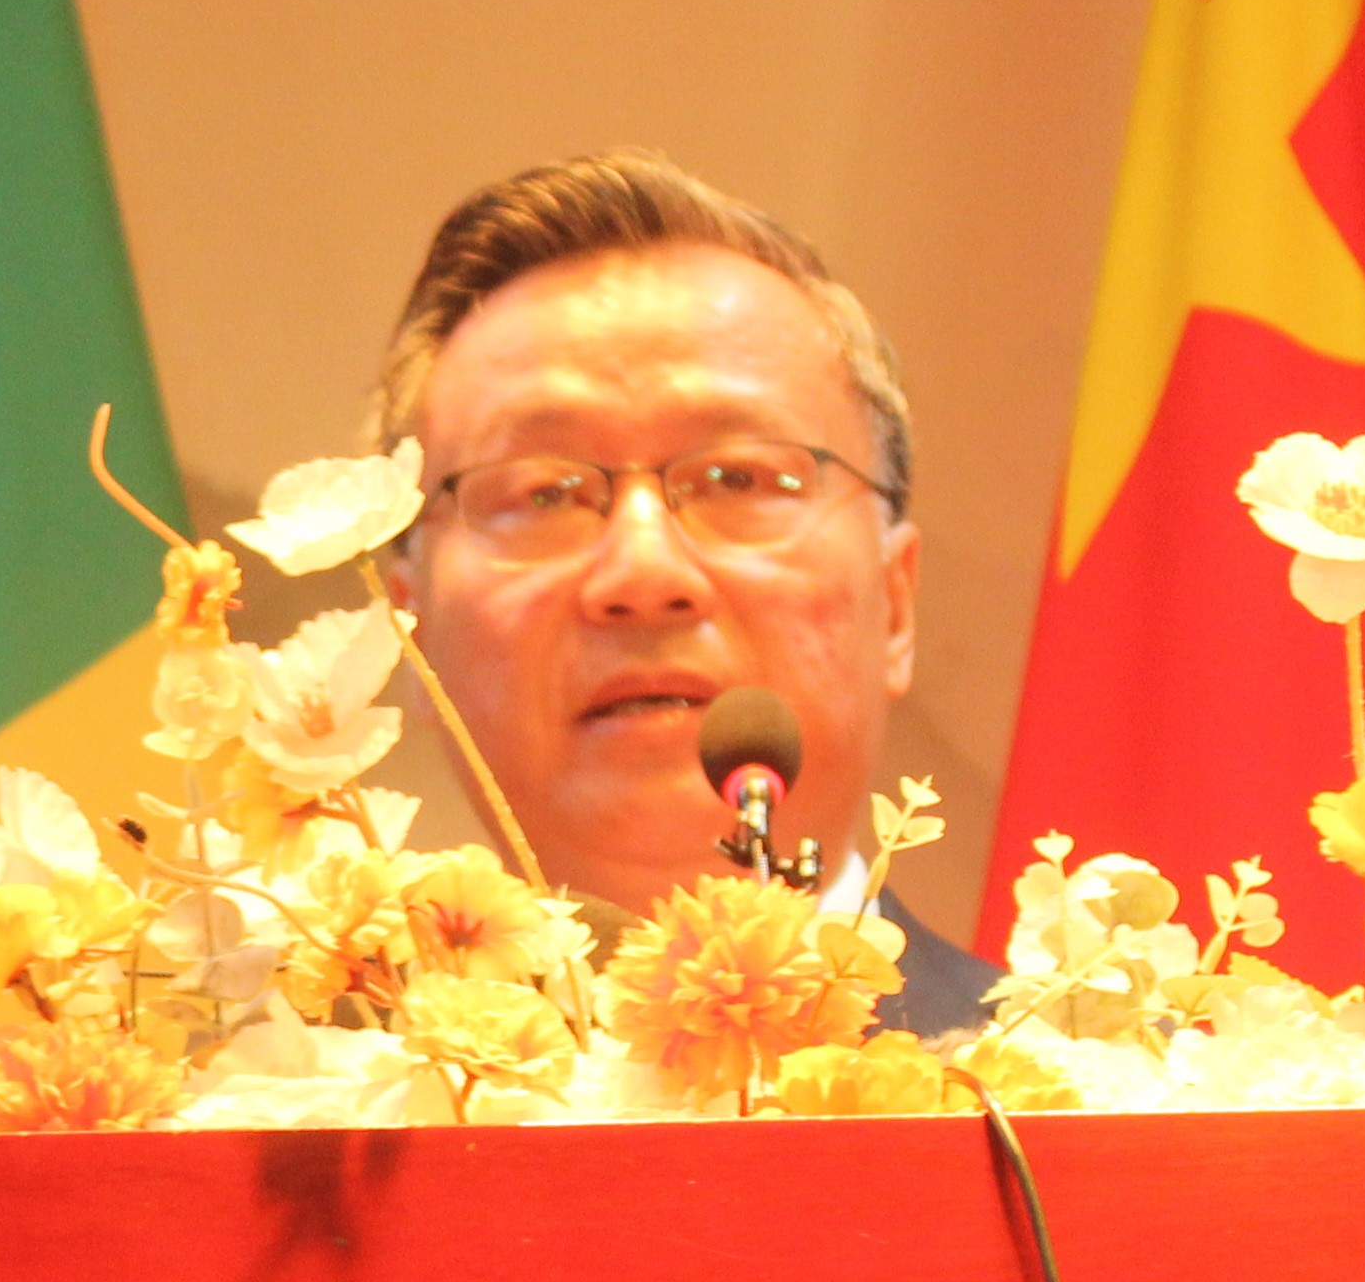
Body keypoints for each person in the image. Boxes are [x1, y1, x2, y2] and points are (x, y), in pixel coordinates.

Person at [375, 150, 1000, 1037]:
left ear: (894, 607)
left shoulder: (1133, 1116)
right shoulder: (257, 1136)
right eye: (543, 493)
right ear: (412, 632)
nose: (642, 573)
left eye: (738, 479)